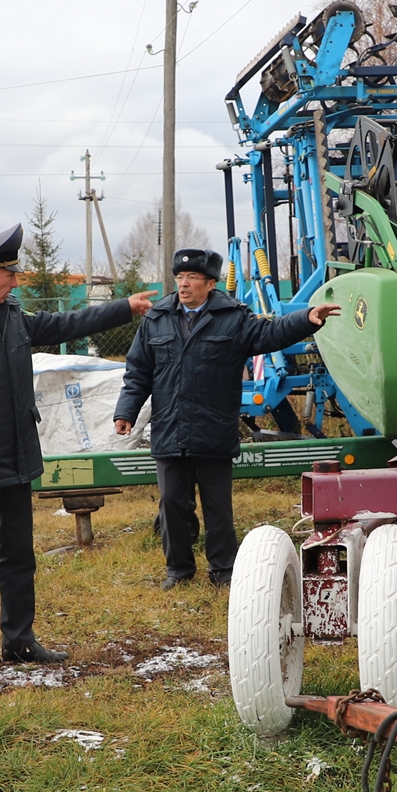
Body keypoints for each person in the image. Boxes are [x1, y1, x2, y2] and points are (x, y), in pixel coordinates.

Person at [0, 224, 152, 685]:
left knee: (19, 555)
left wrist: (125, 308)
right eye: (9, 274)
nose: (16, 282)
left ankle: (19, 639)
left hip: (16, 458)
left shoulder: (9, 313)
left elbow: (64, 325)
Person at [114, 249, 338, 589]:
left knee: (217, 505)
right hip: (170, 427)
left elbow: (270, 334)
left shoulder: (232, 317)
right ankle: (178, 569)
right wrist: (126, 411)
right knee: (172, 502)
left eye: (191, 279)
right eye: (180, 278)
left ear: (211, 284)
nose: (184, 284)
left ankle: (223, 569)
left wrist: (307, 318)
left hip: (213, 426)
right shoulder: (156, 318)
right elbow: (138, 372)